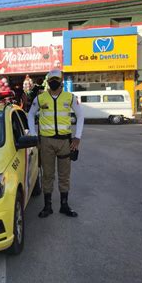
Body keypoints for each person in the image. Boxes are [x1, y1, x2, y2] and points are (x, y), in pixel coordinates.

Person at [28, 70, 84, 218]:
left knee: (64, 175)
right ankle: (48, 206)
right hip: (46, 142)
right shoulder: (40, 98)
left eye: (56, 79)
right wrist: (34, 135)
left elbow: (80, 115)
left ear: (61, 81)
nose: (54, 82)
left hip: (65, 142)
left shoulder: (70, 98)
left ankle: (64, 205)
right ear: (48, 81)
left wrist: (77, 138)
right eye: (51, 79)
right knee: (47, 174)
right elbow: (30, 114)